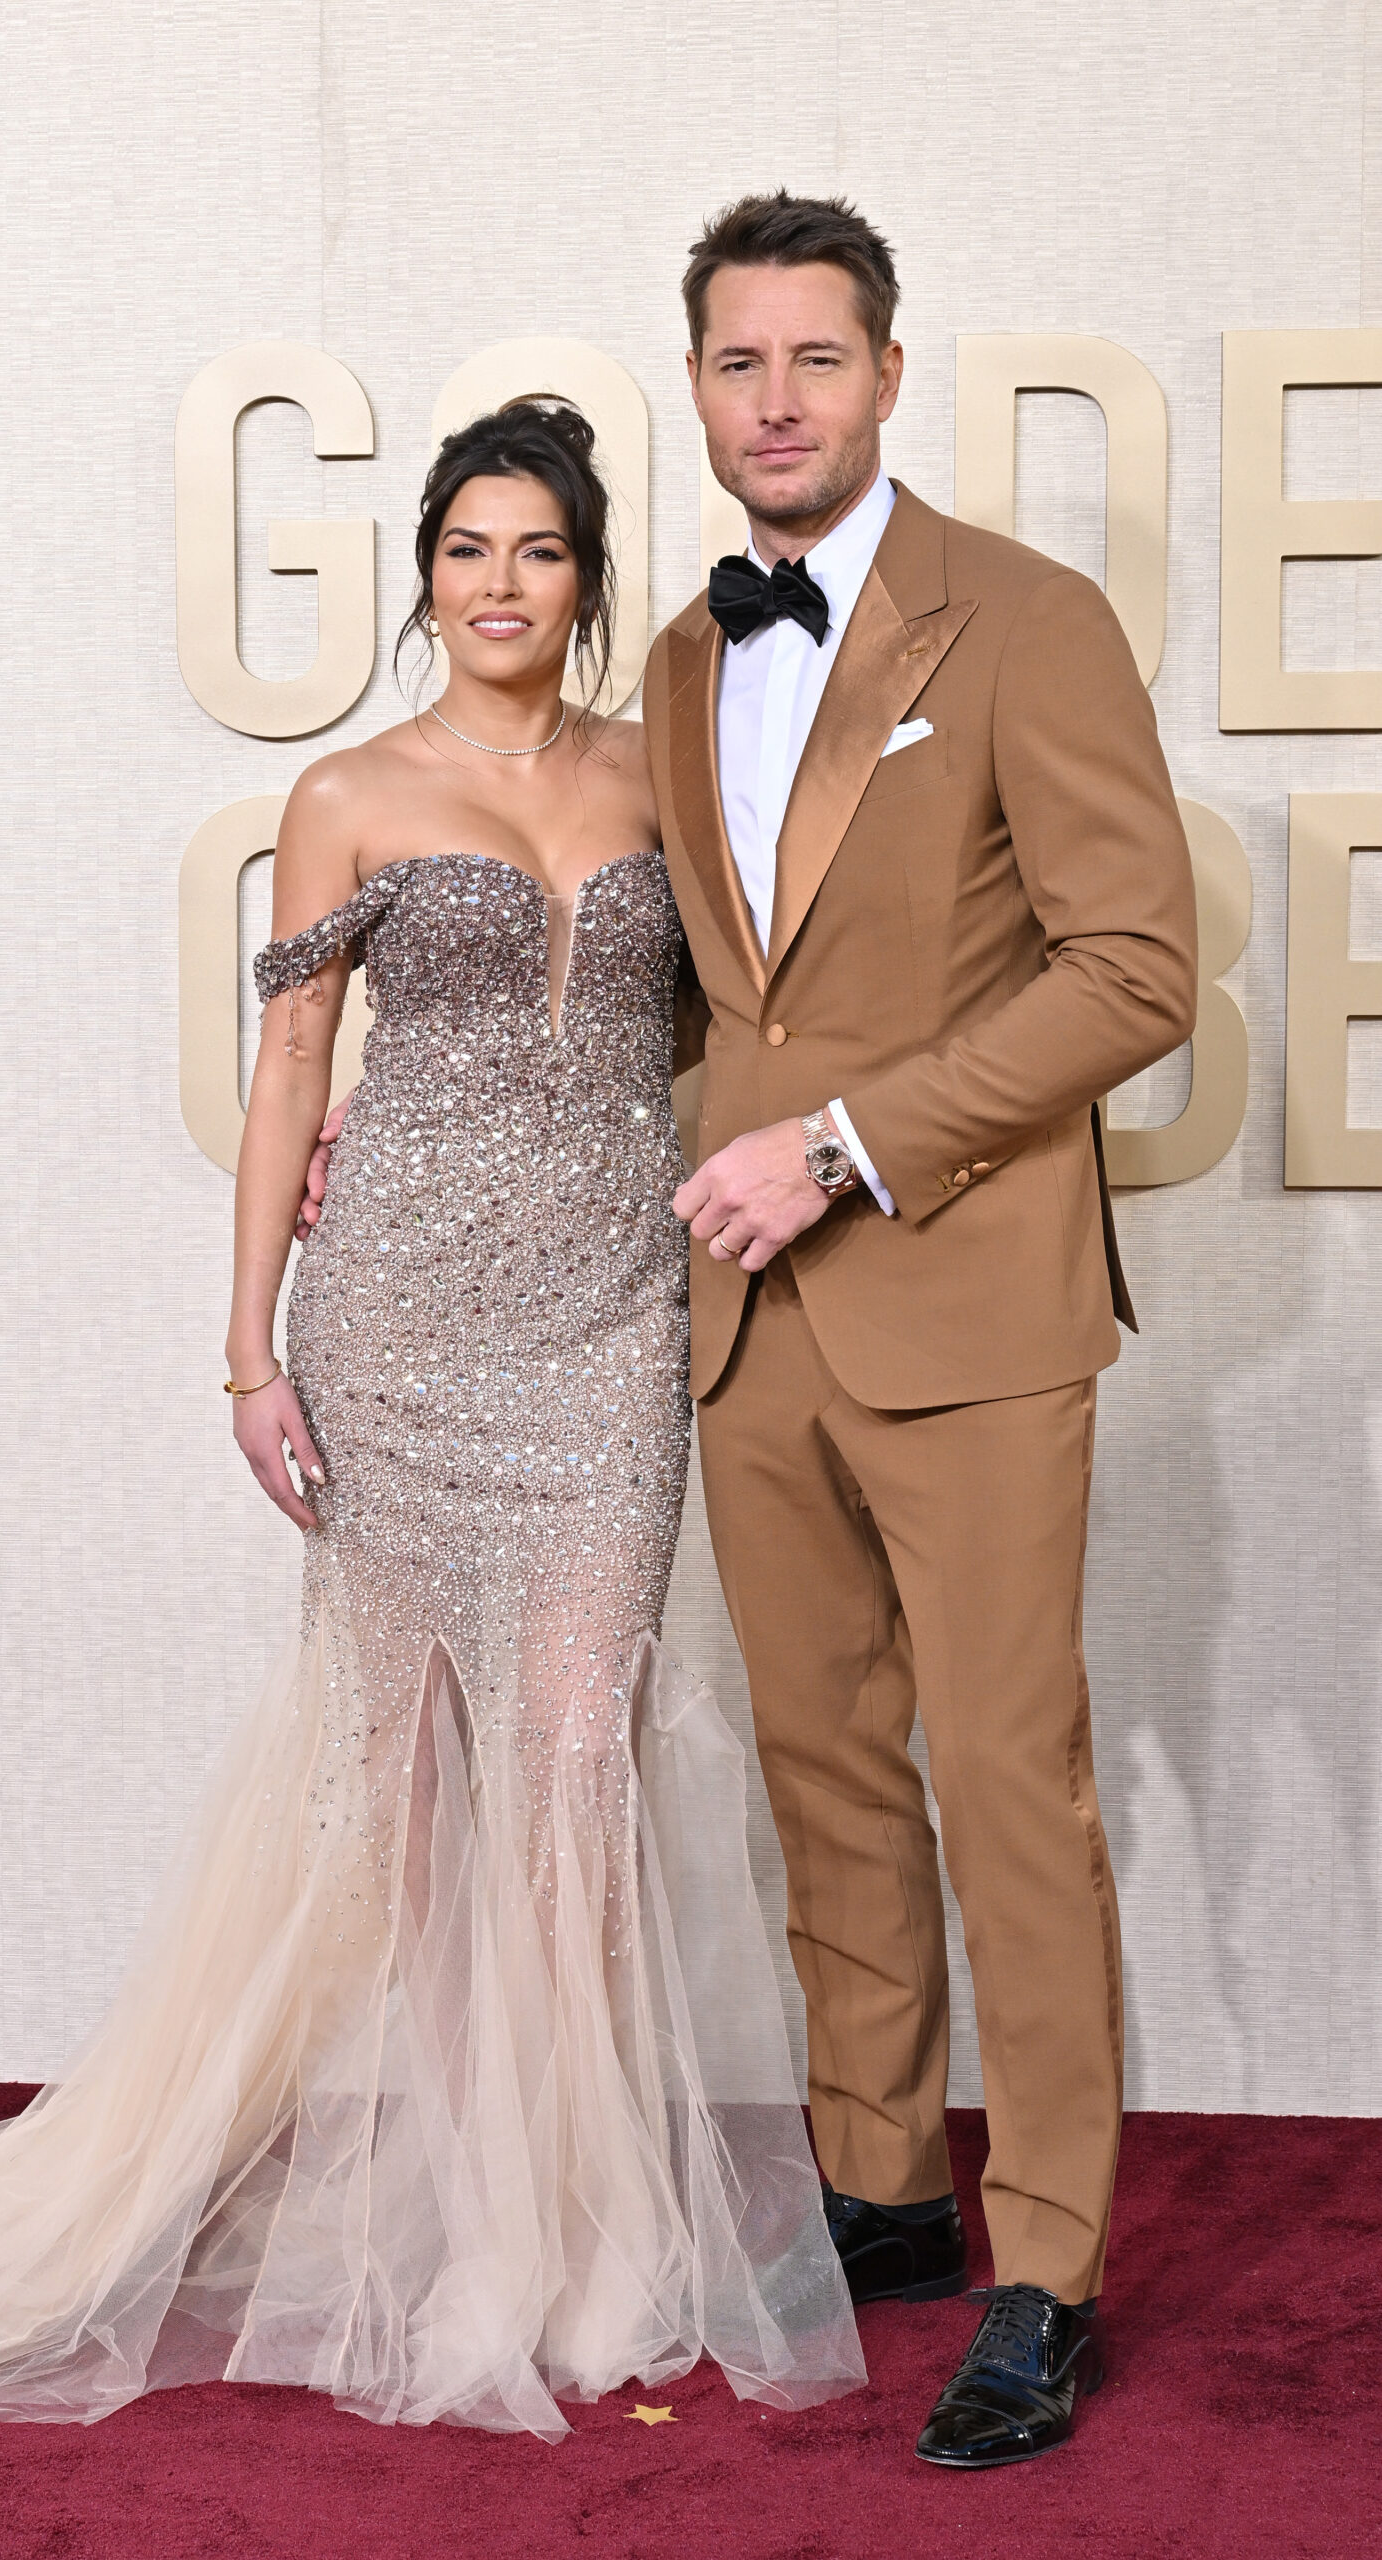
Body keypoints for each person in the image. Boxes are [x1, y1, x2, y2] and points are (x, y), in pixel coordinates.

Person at [0, 400, 863, 2453]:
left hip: (609, 1329)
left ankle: (593, 2226)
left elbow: (744, 1021)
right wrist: (249, 1350)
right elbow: (290, 1065)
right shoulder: (351, 792)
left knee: (580, 1761)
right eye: (464, 548)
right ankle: (484, 2225)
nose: (496, 584)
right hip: (395, 1327)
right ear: (425, 577)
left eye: (537, 552)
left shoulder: (665, 780)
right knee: (423, 1800)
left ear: (588, 577)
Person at [654, 192, 1197, 2467]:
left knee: (1009, 1785)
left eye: (816, 359)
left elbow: (1135, 971)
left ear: (889, 374)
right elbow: (697, 994)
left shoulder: (1031, 620)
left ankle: (1047, 2258)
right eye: (736, 363)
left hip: (963, 1306)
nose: (776, 399)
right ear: (696, 385)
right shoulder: (681, 660)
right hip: (750, 1330)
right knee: (825, 1777)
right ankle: (882, 2180)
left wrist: (851, 1144)